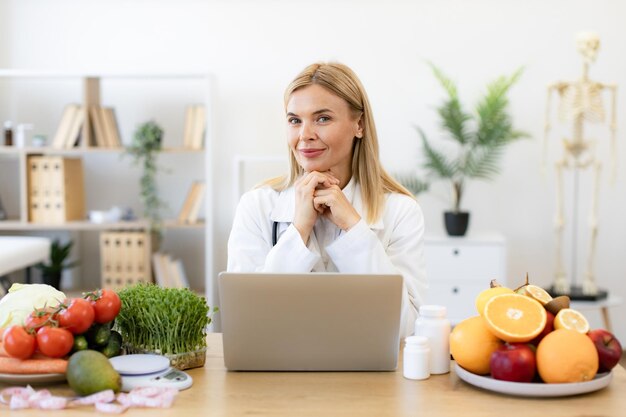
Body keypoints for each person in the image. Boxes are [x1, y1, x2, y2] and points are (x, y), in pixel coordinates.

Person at [227, 62, 426, 338]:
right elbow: (246, 324)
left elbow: (408, 329)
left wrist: (355, 229)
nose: (305, 135)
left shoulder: (402, 211)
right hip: (277, 377)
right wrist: (298, 230)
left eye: (322, 118)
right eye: (295, 120)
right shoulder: (256, 206)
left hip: (369, 378)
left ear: (359, 125)